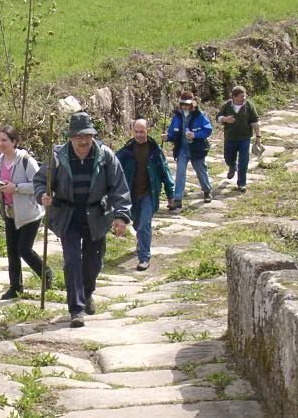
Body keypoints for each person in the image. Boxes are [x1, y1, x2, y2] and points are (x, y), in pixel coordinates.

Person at [33, 112, 131, 328]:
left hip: (96, 214)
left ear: (93, 136)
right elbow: (40, 180)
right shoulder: (57, 156)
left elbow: (119, 186)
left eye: (87, 136)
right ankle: (76, 309)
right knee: (72, 261)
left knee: (93, 261)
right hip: (67, 214)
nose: (84, 141)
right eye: (78, 136)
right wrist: (43, 195)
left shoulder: (105, 155)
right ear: (70, 138)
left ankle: (87, 292)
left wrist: (121, 215)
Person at [0, 126, 52, 299]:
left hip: (30, 213)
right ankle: (15, 287)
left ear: (14, 142)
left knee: (24, 249)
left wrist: (15, 188)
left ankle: (46, 274)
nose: (1, 144)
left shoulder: (26, 161)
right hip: (10, 212)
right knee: (12, 252)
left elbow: (38, 185)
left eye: (4, 140)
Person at [116, 119, 174, 272]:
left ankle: (144, 257)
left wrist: (170, 194)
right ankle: (141, 243)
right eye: (136, 132)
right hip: (131, 195)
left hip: (149, 193)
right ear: (132, 131)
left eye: (142, 131)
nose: (139, 135)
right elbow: (112, 169)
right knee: (137, 224)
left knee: (144, 225)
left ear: (148, 130)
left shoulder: (155, 151)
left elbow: (165, 171)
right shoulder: (125, 152)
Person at [166, 90, 214, 209]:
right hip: (182, 149)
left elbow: (208, 129)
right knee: (180, 172)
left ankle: (207, 191)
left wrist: (195, 135)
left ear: (192, 103)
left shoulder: (200, 115)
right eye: (182, 104)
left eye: (187, 104)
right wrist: (167, 137)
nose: (184, 106)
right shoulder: (177, 116)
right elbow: (172, 131)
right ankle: (178, 199)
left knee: (201, 170)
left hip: (196, 148)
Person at [216, 85, 262, 193]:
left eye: (244, 96)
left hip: (244, 138)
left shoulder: (249, 105)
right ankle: (232, 166)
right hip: (230, 138)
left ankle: (241, 184)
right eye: (241, 96)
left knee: (243, 161)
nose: (244, 98)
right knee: (228, 158)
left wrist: (258, 136)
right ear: (234, 97)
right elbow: (218, 118)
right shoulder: (227, 105)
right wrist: (225, 119)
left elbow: (255, 121)